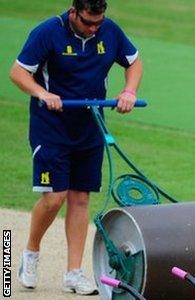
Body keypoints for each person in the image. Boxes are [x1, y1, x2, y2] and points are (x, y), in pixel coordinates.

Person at [9, 0, 142, 295]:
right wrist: (42, 93)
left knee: (80, 198)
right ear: (73, 13)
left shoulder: (109, 31)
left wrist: (129, 91)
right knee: (54, 197)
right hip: (51, 127)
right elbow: (17, 73)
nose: (94, 28)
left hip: (90, 126)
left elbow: (133, 61)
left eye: (98, 22)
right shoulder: (48, 32)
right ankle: (30, 253)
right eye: (87, 22)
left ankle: (73, 273)